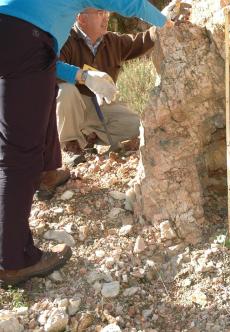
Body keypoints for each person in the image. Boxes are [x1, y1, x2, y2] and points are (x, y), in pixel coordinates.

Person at [0, 0, 190, 286]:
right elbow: (129, 3)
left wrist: (82, 75)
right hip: (27, 38)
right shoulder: (58, 30)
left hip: (12, 34)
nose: (104, 16)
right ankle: (13, 261)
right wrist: (165, 23)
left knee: (21, 134)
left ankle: (45, 175)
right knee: (18, 156)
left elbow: (47, 63)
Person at [57, 8, 157, 161]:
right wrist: (84, 77)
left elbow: (141, 41)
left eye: (106, 13)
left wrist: (162, 26)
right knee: (66, 90)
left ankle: (90, 136)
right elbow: (52, 71)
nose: (106, 18)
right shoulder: (64, 40)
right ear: (81, 19)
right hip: (74, 107)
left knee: (138, 127)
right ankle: (70, 145)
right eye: (100, 13)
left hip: (102, 106)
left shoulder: (113, 41)